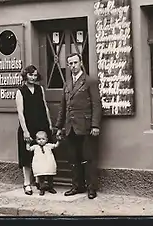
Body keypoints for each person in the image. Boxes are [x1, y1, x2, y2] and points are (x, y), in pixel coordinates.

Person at [56, 53, 102, 199]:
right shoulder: (67, 83)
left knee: (88, 158)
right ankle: (77, 186)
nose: (73, 66)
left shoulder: (89, 81)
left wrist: (95, 125)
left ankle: (91, 188)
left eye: (75, 62)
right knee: (73, 158)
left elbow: (96, 104)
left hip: (86, 126)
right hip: (70, 127)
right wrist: (59, 127)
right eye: (70, 63)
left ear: (81, 63)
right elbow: (63, 107)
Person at [15, 65, 53, 196]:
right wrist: (25, 131)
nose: (33, 77)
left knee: (41, 155)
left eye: (35, 75)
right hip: (28, 127)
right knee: (27, 157)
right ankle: (27, 183)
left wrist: (49, 124)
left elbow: (45, 106)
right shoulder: (21, 91)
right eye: (30, 75)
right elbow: (20, 113)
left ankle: (39, 181)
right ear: (25, 76)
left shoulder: (39, 89)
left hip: (41, 126)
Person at [26, 130, 60, 195]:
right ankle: (42, 188)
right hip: (40, 164)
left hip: (48, 163)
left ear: (46, 139)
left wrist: (58, 141)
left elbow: (56, 146)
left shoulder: (49, 146)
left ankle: (50, 187)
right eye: (39, 139)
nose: (41, 141)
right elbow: (29, 149)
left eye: (43, 139)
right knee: (41, 177)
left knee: (50, 176)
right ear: (36, 140)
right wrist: (28, 143)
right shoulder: (35, 147)